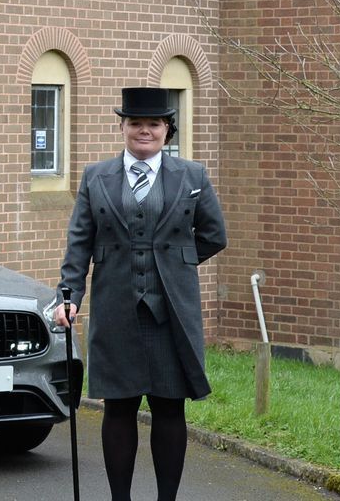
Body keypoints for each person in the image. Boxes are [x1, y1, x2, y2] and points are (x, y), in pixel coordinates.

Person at [54, 87, 226, 501]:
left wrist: (174, 263)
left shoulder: (193, 176)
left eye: (153, 124)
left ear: (167, 129)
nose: (144, 131)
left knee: (169, 407)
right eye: (135, 123)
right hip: (116, 309)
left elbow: (214, 235)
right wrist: (68, 294)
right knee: (119, 407)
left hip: (171, 314)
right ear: (122, 128)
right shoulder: (96, 177)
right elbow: (79, 243)